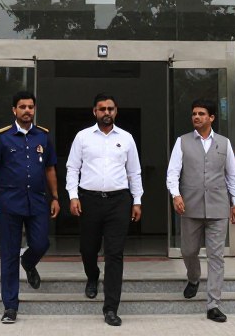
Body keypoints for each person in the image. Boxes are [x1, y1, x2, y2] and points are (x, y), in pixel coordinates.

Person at [66, 92, 143, 327]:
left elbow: (134, 172)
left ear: (116, 111)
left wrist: (137, 200)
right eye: (102, 109)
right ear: (94, 112)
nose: (106, 112)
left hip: (119, 201)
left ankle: (111, 308)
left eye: (110, 109)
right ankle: (92, 276)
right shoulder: (82, 137)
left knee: (114, 254)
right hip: (89, 200)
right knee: (87, 249)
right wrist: (73, 196)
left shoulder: (127, 138)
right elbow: (72, 168)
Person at [0, 91, 60, 324]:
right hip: (9, 203)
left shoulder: (43, 137)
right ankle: (10, 307)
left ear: (35, 109)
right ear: (14, 110)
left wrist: (55, 196)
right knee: (8, 255)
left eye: (30, 107)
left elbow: (49, 169)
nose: (27, 110)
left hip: (37, 201)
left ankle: (28, 262)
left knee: (41, 243)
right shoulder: (2, 137)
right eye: (22, 107)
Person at [166, 99, 235, 323]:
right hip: (190, 205)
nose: (196, 117)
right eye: (194, 114)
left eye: (201, 113)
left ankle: (213, 304)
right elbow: (172, 173)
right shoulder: (182, 142)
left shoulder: (224, 144)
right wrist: (176, 195)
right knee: (188, 251)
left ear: (211, 118)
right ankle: (194, 278)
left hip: (218, 207)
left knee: (216, 256)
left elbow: (232, 176)